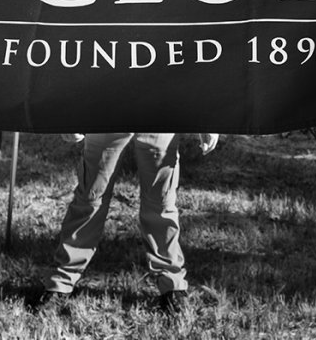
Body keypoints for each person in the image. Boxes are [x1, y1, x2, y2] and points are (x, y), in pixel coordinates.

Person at [31, 131, 220, 314]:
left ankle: (172, 287)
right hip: (107, 112)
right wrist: (73, 117)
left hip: (160, 111)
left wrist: (206, 121)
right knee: (89, 202)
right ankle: (61, 283)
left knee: (161, 205)